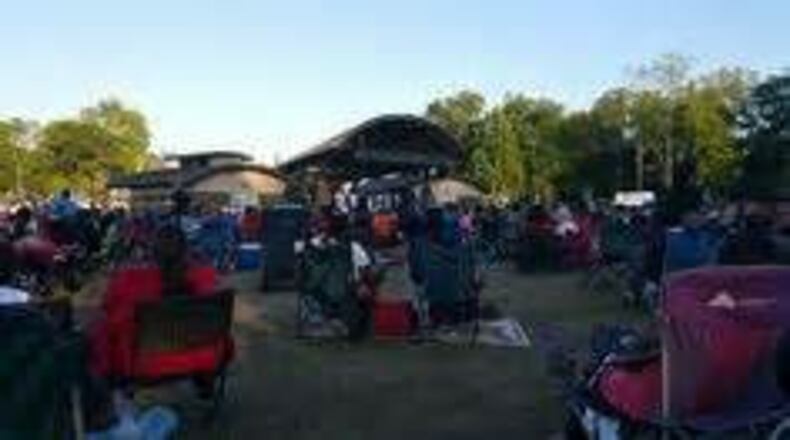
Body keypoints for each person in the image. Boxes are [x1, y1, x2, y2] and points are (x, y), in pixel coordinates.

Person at [88, 224, 233, 382]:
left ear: (152, 250)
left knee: (99, 327)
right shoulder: (207, 275)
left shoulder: (130, 279)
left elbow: (108, 313)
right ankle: (204, 380)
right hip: (204, 357)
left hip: (144, 365)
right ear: (186, 249)